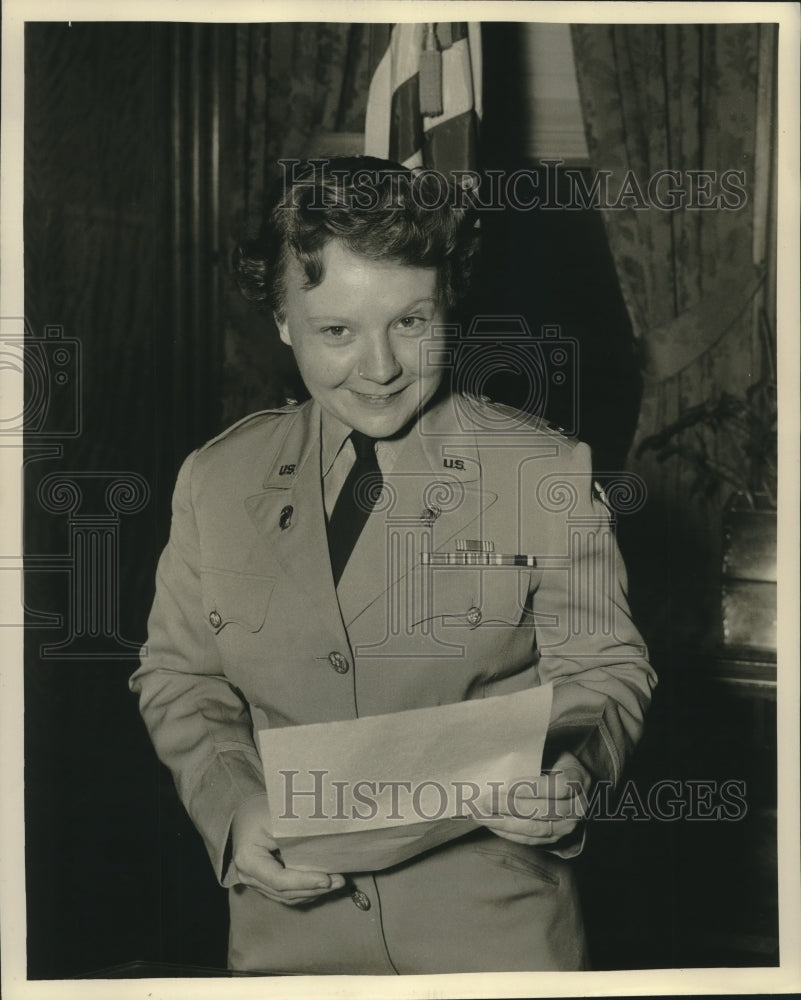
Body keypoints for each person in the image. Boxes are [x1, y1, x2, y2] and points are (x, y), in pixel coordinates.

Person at [129, 156, 656, 975]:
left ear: (447, 305)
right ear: (280, 322)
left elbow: (605, 667)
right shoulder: (215, 479)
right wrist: (232, 806)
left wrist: (573, 770)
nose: (378, 368)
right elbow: (179, 677)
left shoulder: (543, 473)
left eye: (411, 322)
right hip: (285, 940)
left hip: (494, 941)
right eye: (336, 331)